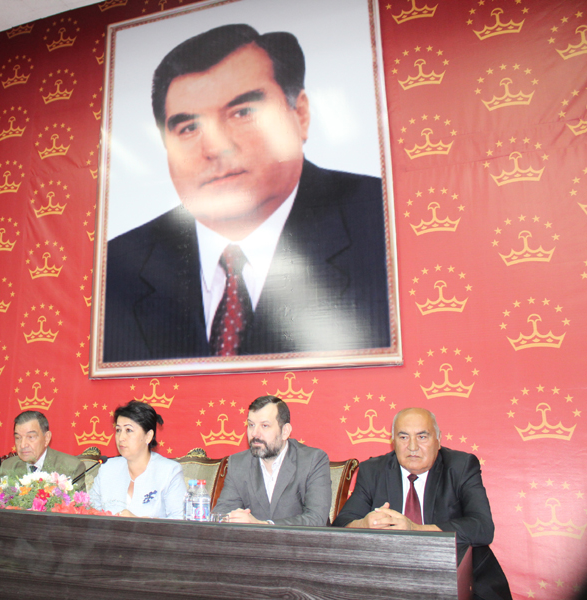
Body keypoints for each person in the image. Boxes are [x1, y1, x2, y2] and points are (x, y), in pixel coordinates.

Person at [103, 23, 390, 361]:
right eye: (189, 127)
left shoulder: (386, 224)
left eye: (242, 113)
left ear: (300, 114)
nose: (215, 147)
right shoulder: (116, 268)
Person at [333, 408, 512, 600]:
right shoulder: (373, 470)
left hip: (461, 581)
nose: (412, 447)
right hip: (393, 583)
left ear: (438, 439)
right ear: (393, 441)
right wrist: (364, 525)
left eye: (422, 437)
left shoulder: (460, 466)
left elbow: (482, 527)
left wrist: (416, 529)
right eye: (403, 437)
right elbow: (340, 525)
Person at [212, 395, 330, 526]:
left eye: (265, 426)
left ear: (285, 431)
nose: (255, 433)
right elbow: (221, 514)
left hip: (300, 540)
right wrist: (232, 518)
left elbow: (316, 519)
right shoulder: (238, 464)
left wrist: (264, 525)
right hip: (251, 540)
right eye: (251, 425)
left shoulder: (312, 460)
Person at [89, 400, 186, 518]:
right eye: (118, 430)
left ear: (148, 436)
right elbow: (90, 512)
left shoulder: (169, 472)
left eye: (128, 430)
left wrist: (138, 522)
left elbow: (179, 522)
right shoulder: (107, 468)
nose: (121, 438)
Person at [0, 410, 87, 489]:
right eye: (18, 438)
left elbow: (76, 505)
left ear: (47, 438)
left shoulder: (71, 468)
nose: (22, 445)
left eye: (31, 437)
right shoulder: (7, 466)